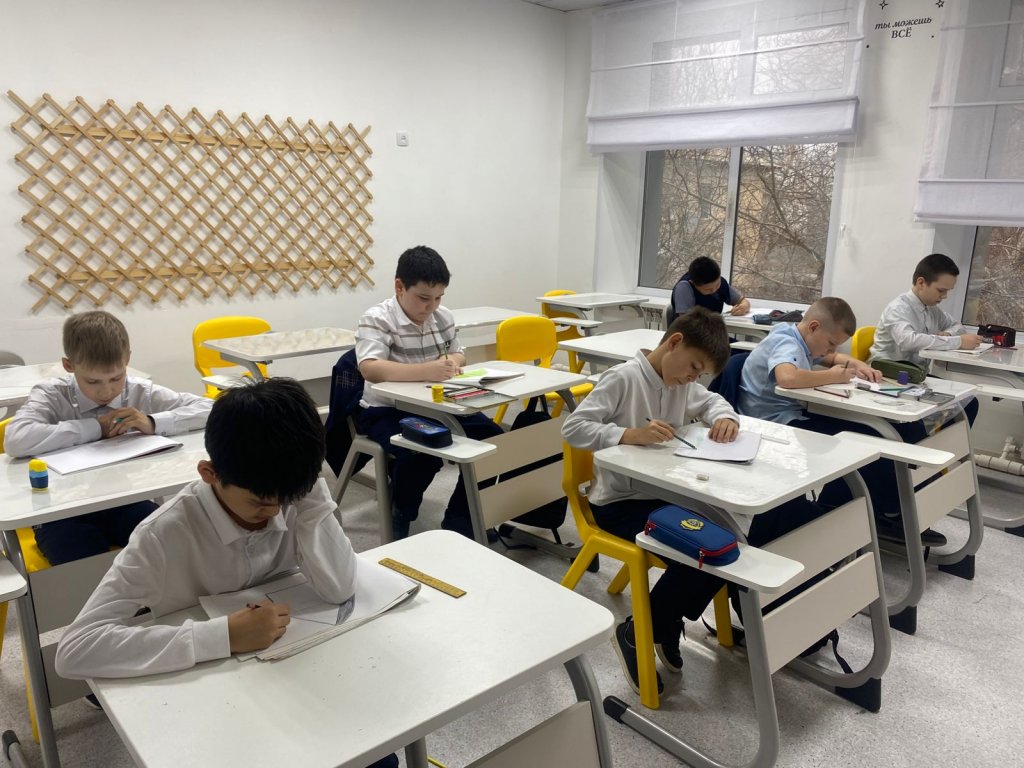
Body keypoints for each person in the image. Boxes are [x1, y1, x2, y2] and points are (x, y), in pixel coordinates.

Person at [54, 379, 399, 768]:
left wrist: (312, 498)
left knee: (376, 755)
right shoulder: (162, 535)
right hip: (211, 704)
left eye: (288, 499)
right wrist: (223, 636)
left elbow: (339, 588)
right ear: (209, 473)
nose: (275, 513)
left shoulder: (293, 497)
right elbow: (76, 650)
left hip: (296, 682)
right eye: (259, 503)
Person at [561, 308, 739, 695]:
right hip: (619, 503)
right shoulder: (623, 378)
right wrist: (627, 434)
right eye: (693, 367)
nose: (693, 378)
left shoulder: (682, 384)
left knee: (727, 540)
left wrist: (726, 418)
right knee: (702, 555)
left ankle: (659, 622)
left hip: (663, 495)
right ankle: (641, 631)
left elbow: (711, 401)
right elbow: (573, 427)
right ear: (674, 342)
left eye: (700, 374)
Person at [4, 311, 212, 565]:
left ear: (127, 360)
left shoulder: (138, 390)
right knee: (85, 560)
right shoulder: (52, 393)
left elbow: (211, 409)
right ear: (69, 366)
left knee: (171, 541)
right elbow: (15, 439)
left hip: (124, 502)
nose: (107, 391)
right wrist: (95, 428)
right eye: (92, 381)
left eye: (116, 378)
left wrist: (152, 421)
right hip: (59, 511)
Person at [737, 297, 945, 546]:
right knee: (864, 444)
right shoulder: (786, 342)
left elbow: (831, 358)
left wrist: (857, 365)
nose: (830, 349)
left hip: (791, 415)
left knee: (874, 434)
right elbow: (787, 378)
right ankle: (845, 513)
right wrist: (833, 377)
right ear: (814, 327)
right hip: (775, 426)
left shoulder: (797, 336)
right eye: (831, 342)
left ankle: (857, 511)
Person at [355, 245, 503, 540]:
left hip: (437, 404)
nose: (431, 306)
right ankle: (401, 512)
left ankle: (462, 520)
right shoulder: (377, 318)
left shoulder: (442, 316)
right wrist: (428, 370)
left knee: (496, 441)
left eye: (438, 297)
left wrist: (453, 362)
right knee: (423, 452)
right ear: (399, 287)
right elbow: (370, 368)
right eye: (423, 298)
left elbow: (459, 354)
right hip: (386, 409)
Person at [869, 252, 981, 436]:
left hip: (916, 377)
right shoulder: (898, 308)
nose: (945, 296)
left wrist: (948, 334)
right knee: (918, 425)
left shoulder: (931, 310)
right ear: (921, 283)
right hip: (889, 377)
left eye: (948, 291)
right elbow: (908, 341)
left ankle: (942, 447)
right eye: (941, 290)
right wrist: (957, 342)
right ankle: (924, 448)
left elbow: (957, 326)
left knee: (969, 402)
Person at [668, 256, 750, 322]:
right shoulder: (684, 287)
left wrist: (744, 307)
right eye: (708, 289)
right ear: (693, 283)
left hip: (712, 331)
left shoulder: (719, 281)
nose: (714, 290)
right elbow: (686, 323)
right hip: (689, 334)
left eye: (717, 285)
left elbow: (743, 301)